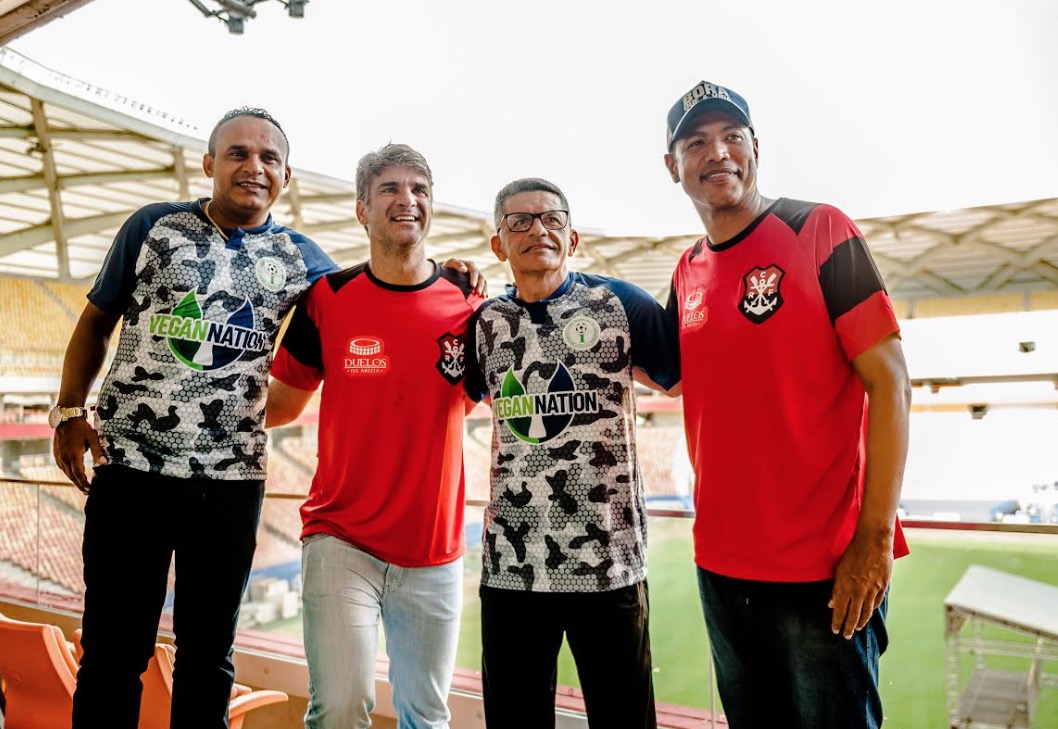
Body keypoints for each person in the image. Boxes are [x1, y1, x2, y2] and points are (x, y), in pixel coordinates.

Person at [51, 107, 338, 729]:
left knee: (209, 660)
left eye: (268, 158)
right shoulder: (153, 226)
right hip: (130, 471)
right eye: (237, 153)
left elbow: (380, 297)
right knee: (110, 652)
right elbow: (97, 318)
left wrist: (452, 279)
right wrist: (71, 408)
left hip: (230, 483)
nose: (252, 166)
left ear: (286, 176)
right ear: (210, 165)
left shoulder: (302, 257)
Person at [662, 80, 912, 728]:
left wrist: (874, 541)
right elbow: (655, 364)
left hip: (822, 569)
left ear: (755, 148)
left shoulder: (821, 228)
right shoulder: (687, 270)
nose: (717, 152)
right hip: (720, 567)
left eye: (732, 137)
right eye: (697, 142)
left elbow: (892, 383)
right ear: (673, 166)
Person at [265, 143, 483, 729]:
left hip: (433, 550)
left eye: (419, 189)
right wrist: (191, 403)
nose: (406, 200)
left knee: (426, 716)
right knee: (338, 709)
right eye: (389, 189)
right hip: (341, 539)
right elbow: (281, 403)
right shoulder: (328, 298)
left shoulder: (471, 303)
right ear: (362, 209)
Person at [463, 178, 681, 729]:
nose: (538, 229)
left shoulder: (620, 305)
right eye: (520, 221)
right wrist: (448, 278)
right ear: (498, 245)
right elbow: (450, 394)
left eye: (551, 219)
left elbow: (685, 380)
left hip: (607, 567)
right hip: (512, 568)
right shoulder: (484, 324)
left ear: (573, 236)